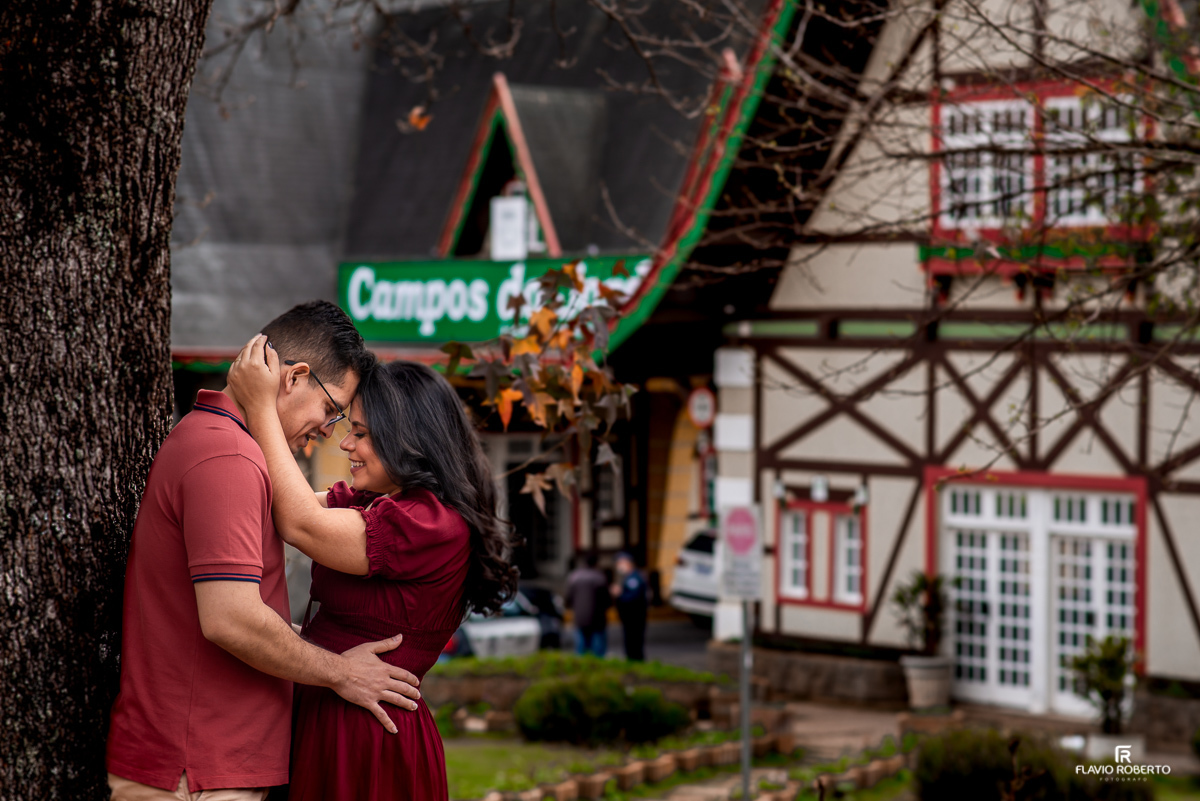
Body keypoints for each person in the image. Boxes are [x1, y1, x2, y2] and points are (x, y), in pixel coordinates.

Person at [106, 302, 422, 801]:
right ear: (294, 377)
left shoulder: (222, 445)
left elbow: (220, 612)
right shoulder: (227, 456)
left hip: (204, 766)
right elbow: (230, 619)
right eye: (332, 410)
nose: (327, 431)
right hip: (197, 770)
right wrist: (342, 673)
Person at [228, 335, 518, 801]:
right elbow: (276, 504)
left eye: (361, 433)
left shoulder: (432, 523)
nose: (345, 443)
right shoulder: (377, 502)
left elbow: (300, 523)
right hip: (329, 709)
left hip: (366, 734)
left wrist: (261, 405)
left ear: (409, 438)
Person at [565, 552, 610, 656]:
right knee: (598, 650)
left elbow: (568, 598)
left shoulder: (574, 577)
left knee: (581, 649)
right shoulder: (600, 577)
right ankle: (598, 670)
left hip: (580, 617)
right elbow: (607, 600)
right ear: (596, 563)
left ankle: (582, 670)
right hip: (597, 618)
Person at [613, 551, 649, 661]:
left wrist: (619, 594)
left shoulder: (634, 577)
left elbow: (634, 597)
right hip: (629, 616)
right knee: (630, 641)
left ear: (628, 563)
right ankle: (632, 661)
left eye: (620, 563)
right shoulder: (627, 577)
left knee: (634, 641)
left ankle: (636, 662)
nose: (618, 566)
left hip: (634, 616)